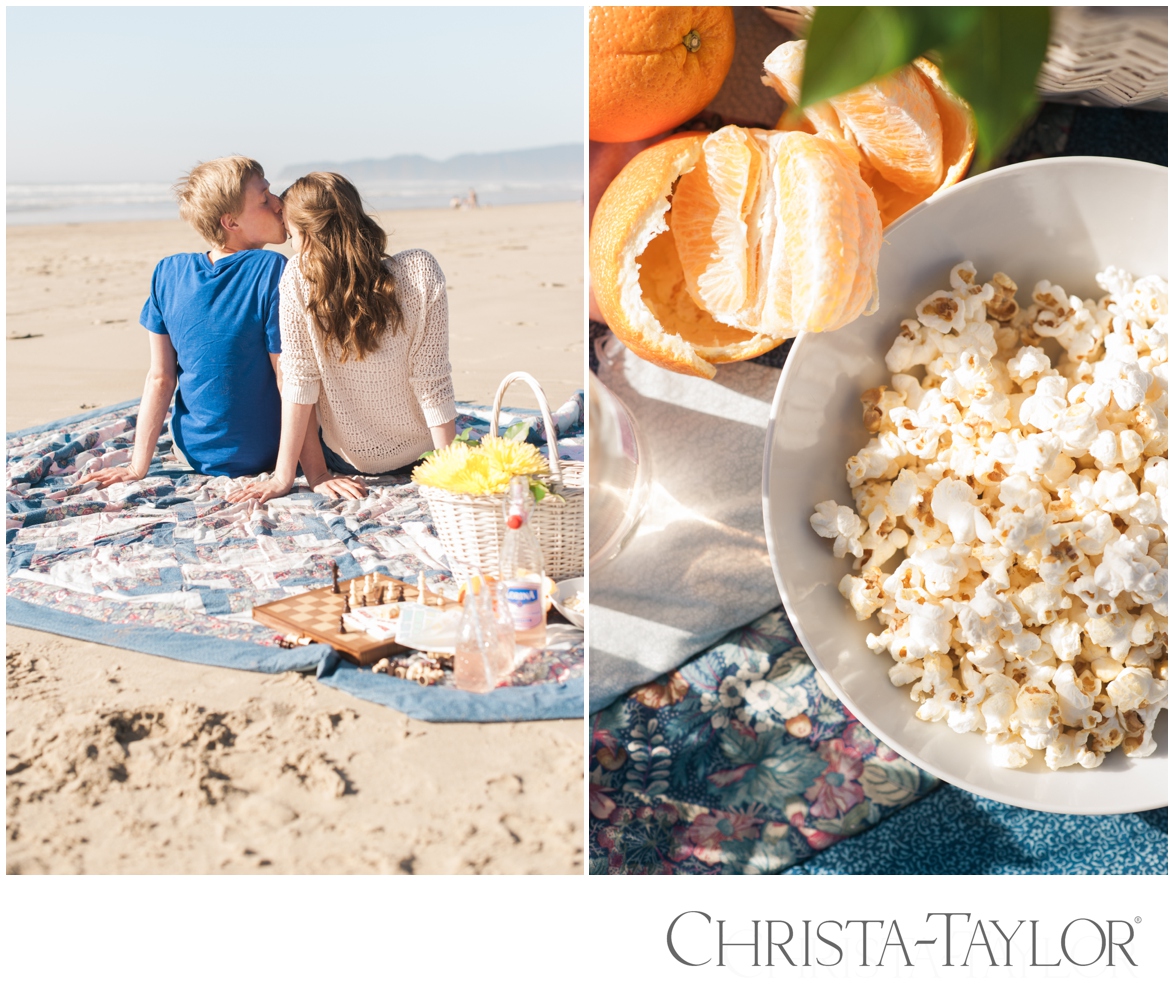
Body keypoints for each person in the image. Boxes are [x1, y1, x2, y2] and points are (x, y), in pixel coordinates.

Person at [226, 172, 457, 504]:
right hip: (425, 456)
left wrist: (296, 476)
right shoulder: (421, 270)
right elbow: (432, 380)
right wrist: (450, 471)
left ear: (306, 235)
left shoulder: (298, 277)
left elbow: (299, 383)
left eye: (291, 235)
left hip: (348, 462)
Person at [84, 156, 288, 487]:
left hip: (191, 451)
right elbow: (287, 378)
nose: (280, 204)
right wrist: (308, 470)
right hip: (265, 451)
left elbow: (160, 378)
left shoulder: (167, 272)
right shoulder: (271, 269)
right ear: (231, 222)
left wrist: (138, 466)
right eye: (265, 198)